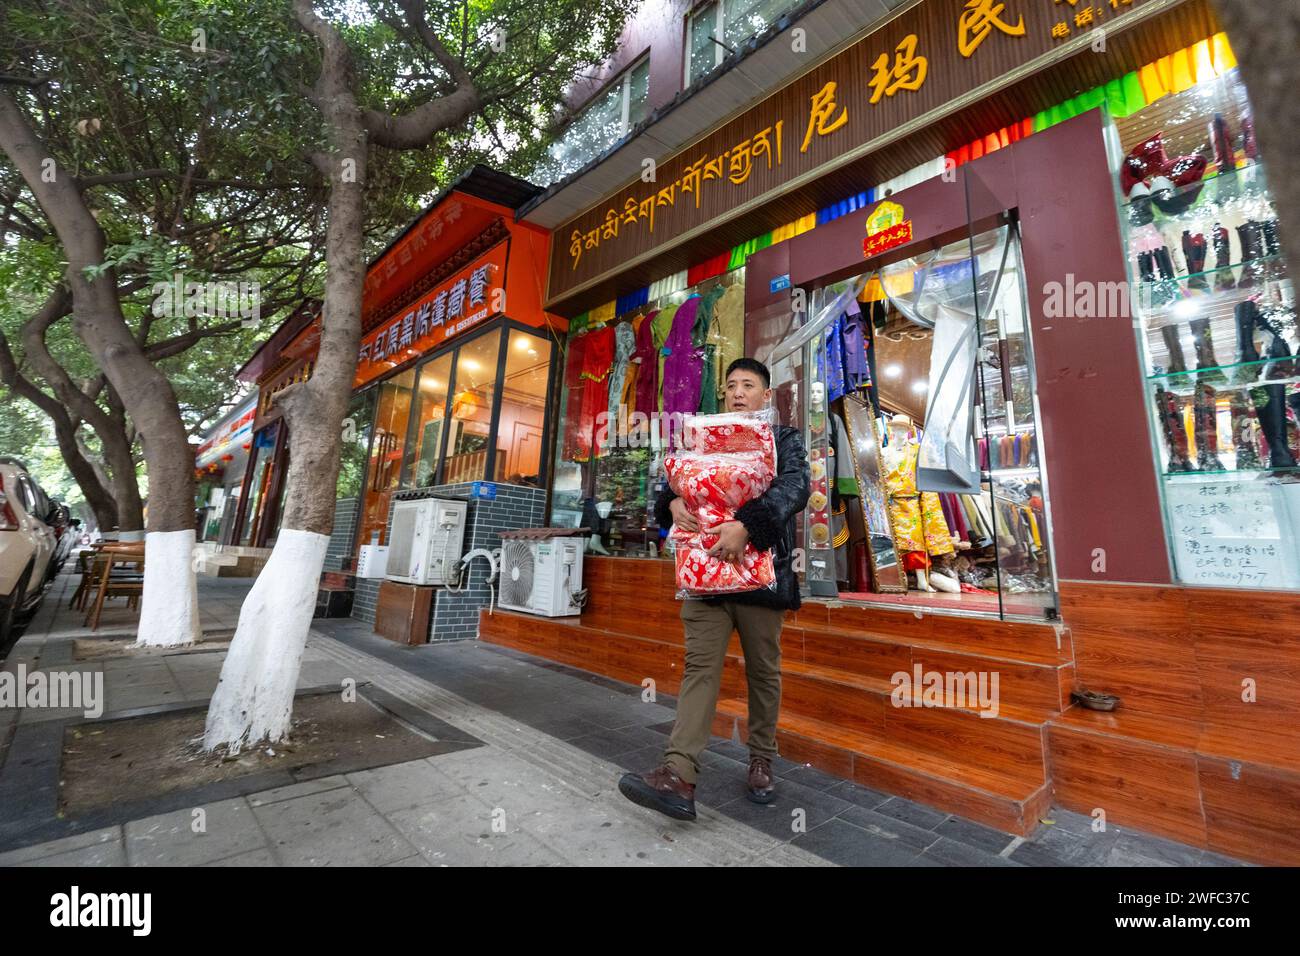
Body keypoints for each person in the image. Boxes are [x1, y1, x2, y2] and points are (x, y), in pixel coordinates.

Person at [618, 357, 810, 821]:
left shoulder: (783, 439)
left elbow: (796, 487)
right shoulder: (699, 437)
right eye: (731, 386)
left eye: (749, 385)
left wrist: (747, 525)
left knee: (763, 671)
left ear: (767, 396)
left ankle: (761, 758)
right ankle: (678, 774)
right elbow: (673, 481)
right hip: (704, 576)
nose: (738, 392)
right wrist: (674, 500)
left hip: (762, 575)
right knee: (699, 667)